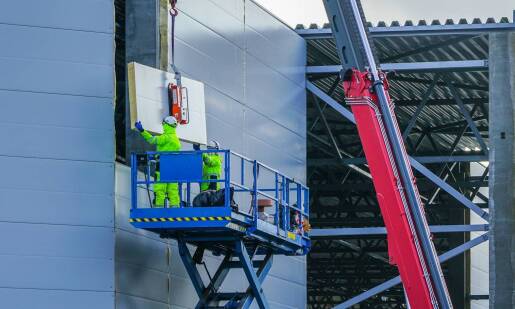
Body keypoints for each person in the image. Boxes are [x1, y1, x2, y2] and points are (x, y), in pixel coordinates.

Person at [135, 116, 181, 207]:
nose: (163, 126)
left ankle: (158, 210)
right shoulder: (176, 139)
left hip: (162, 166)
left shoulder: (166, 137)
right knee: (173, 190)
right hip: (173, 167)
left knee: (160, 189)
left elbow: (152, 140)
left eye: (163, 124)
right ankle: (175, 209)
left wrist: (142, 130)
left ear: (166, 125)